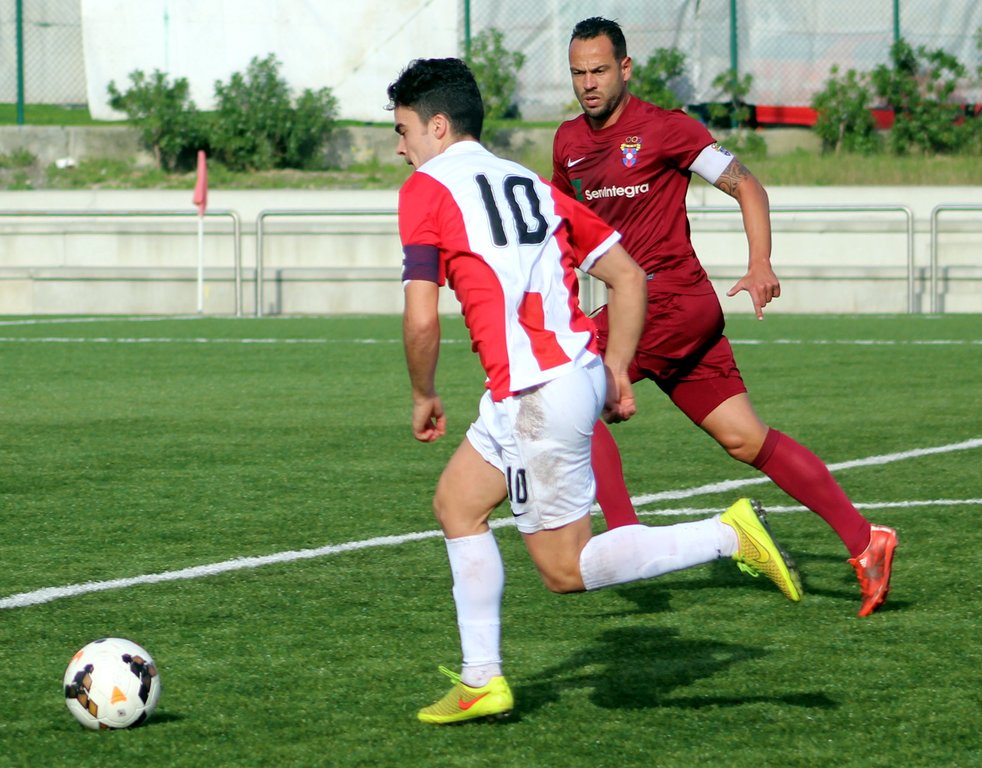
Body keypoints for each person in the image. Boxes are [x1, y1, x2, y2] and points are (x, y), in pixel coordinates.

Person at [388, 57, 803, 726]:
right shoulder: (529, 183)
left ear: (437, 126)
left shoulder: (425, 190)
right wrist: (612, 368)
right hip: (551, 380)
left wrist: (422, 393)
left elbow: (420, 318)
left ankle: (727, 536)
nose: (400, 148)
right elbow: (628, 276)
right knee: (457, 505)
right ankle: (481, 680)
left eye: (403, 130)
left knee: (565, 570)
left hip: (535, 394)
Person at [552, 17, 897, 618]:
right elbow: (562, 226)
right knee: (745, 438)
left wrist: (759, 262)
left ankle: (626, 537)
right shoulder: (567, 143)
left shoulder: (667, 128)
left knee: (568, 384)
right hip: (664, 312)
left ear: (625, 68)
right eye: (579, 72)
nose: (589, 83)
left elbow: (748, 186)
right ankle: (866, 541)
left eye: (600, 70)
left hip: (670, 299)